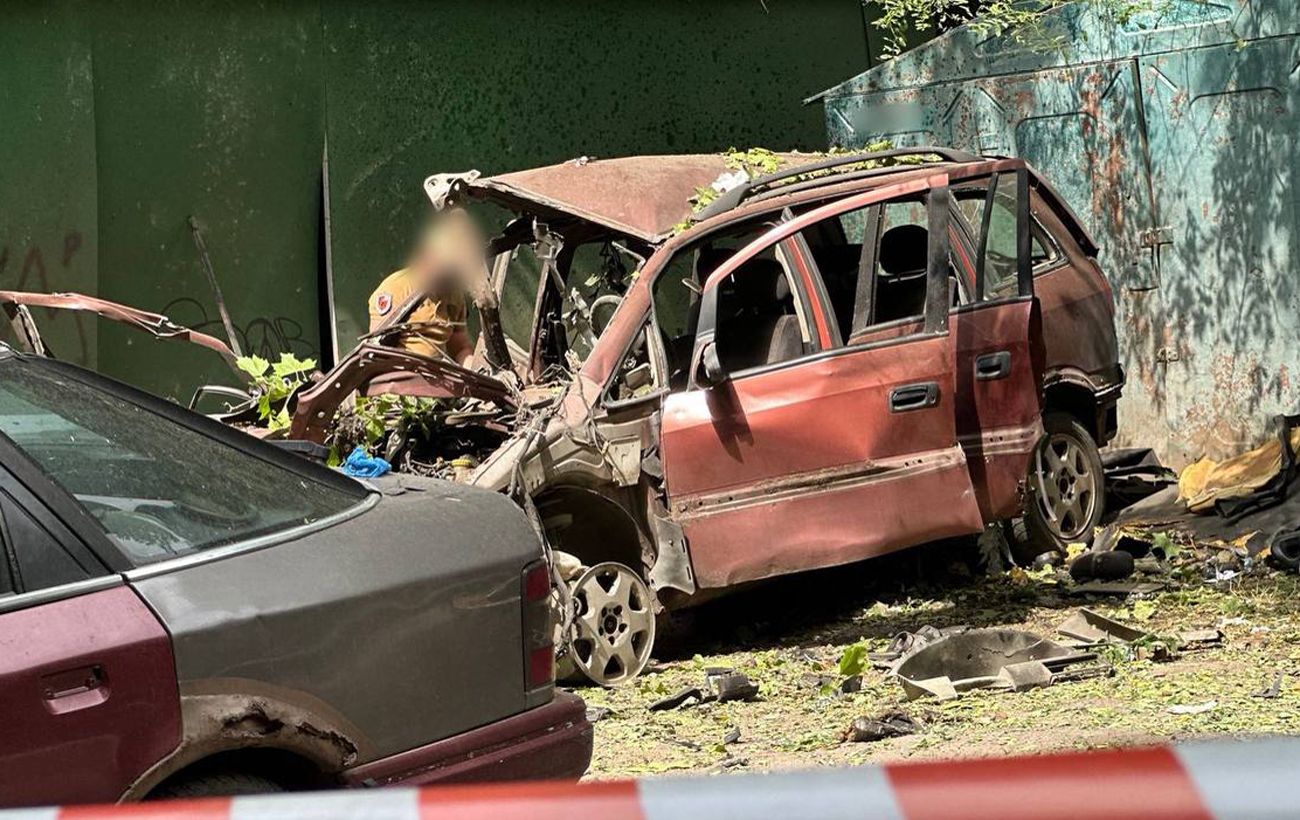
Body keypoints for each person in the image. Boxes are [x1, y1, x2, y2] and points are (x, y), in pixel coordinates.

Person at [367, 208, 487, 366]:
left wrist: (474, 367)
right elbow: (377, 352)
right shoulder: (397, 288)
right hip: (401, 374)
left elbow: (460, 347)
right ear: (429, 256)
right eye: (447, 266)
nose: (450, 275)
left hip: (438, 375)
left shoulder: (454, 296)